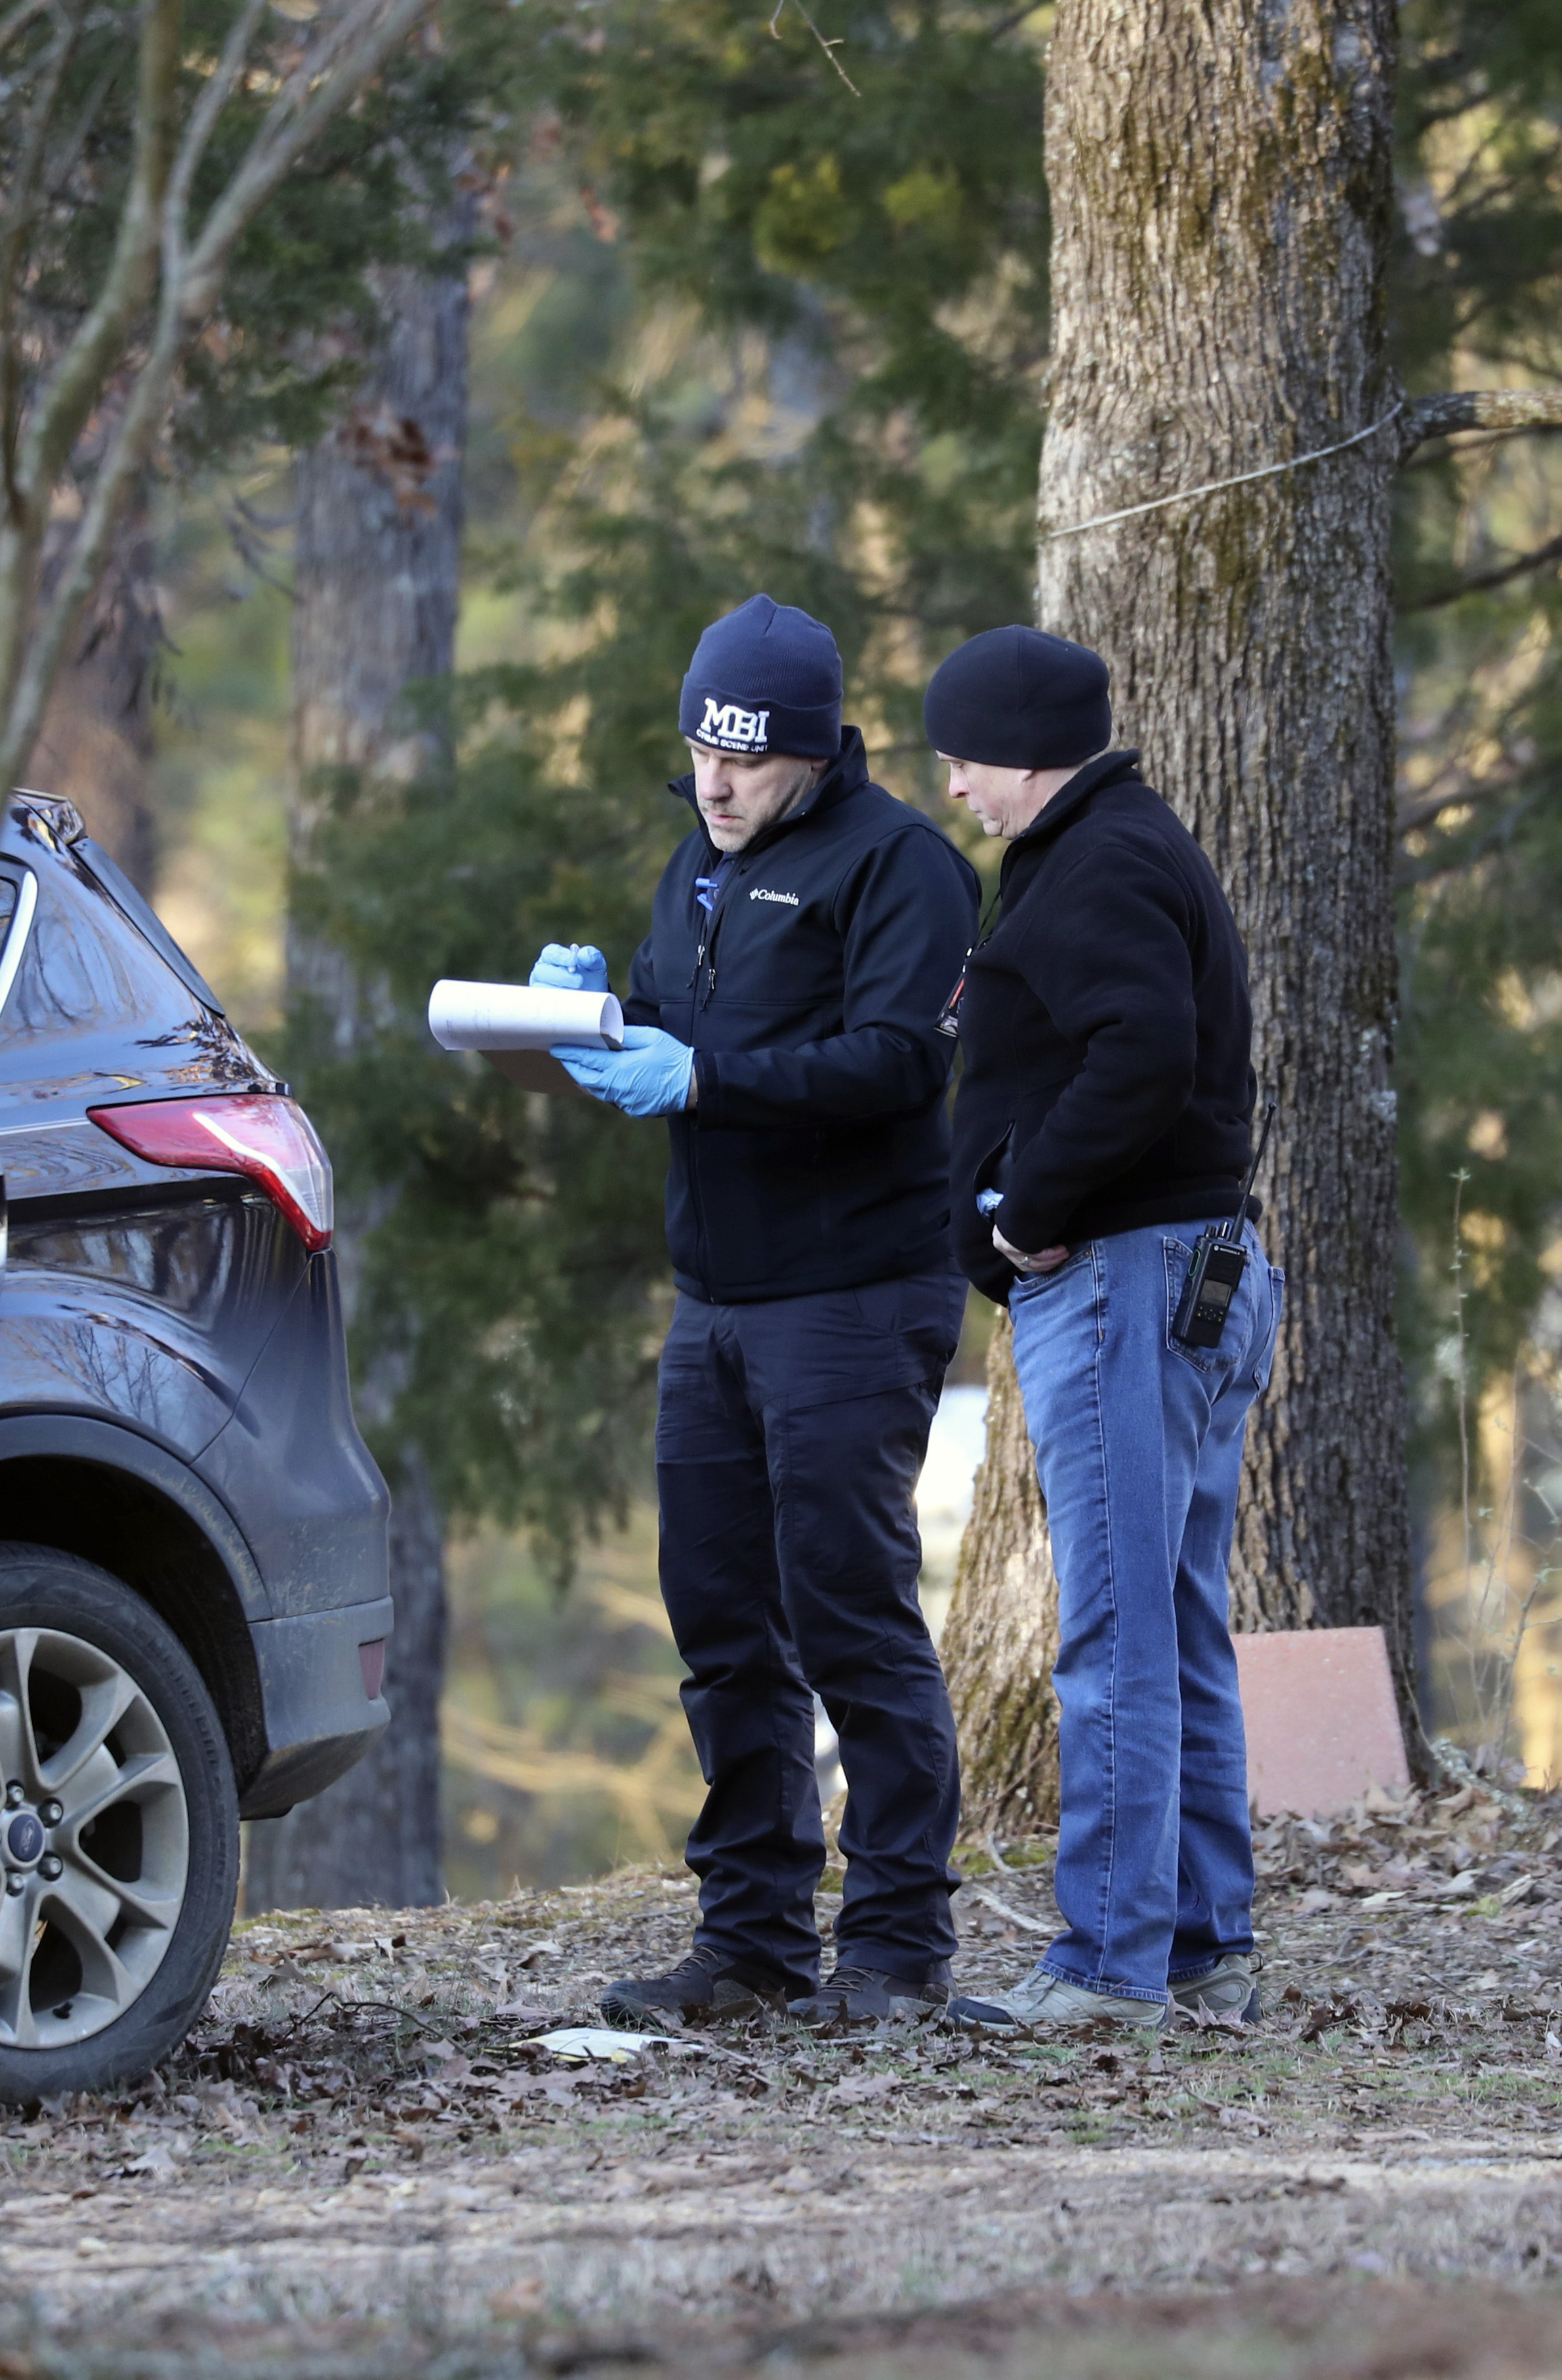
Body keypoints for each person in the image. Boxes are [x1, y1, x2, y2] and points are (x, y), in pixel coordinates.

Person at [538, 594, 983, 2028]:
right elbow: (683, 1020)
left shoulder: (900, 864)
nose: (715, 784)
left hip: (853, 1294)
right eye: (698, 753)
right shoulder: (698, 861)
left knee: (847, 1612)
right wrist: (597, 1022)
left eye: (743, 758)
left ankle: (899, 1950)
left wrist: (705, 1080)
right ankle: (750, 1942)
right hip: (716, 1301)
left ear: (812, 750)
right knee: (723, 1621)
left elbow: (896, 1064)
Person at [919, 623, 1283, 2037]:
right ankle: (1198, 1938)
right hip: (1180, 1271)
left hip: (1131, 1279)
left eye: (962, 758)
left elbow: (1144, 1046)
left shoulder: (1100, 860)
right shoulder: (1125, 845)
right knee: (1173, 1616)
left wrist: (1026, 1206)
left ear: (1020, 750)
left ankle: (1111, 1959)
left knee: (1119, 1626)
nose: (954, 783)